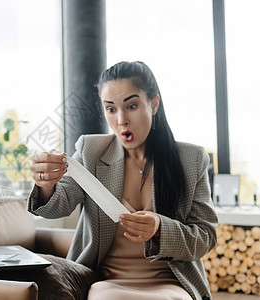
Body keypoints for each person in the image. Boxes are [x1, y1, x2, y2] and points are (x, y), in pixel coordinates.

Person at [28, 61, 218, 300]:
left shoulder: (191, 159)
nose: (121, 120)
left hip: (170, 282)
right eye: (111, 109)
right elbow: (59, 205)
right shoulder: (91, 151)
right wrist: (46, 184)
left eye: (132, 106)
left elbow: (206, 237)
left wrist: (160, 229)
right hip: (106, 281)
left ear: (154, 104)